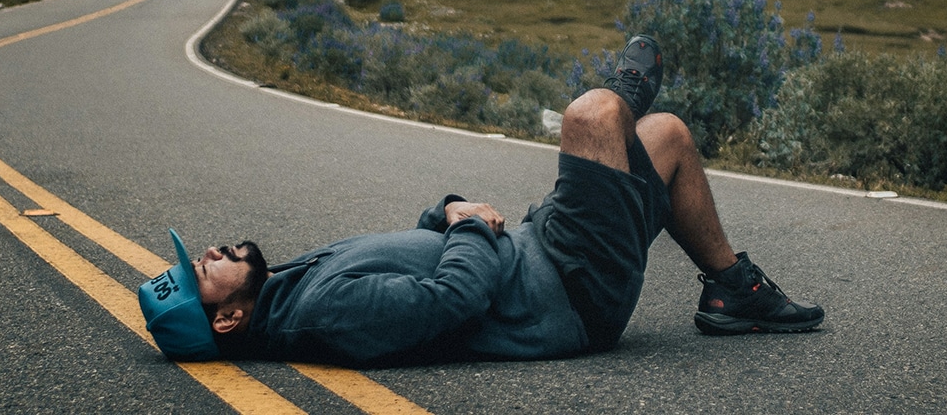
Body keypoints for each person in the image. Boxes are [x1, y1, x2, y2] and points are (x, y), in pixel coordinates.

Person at [139, 35, 824, 363]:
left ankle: (735, 291)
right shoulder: (322, 313)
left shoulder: (290, 288)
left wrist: (447, 212)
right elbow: (449, 301)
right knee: (592, 115)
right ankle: (623, 90)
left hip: (540, 250)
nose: (209, 252)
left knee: (667, 139)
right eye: (202, 271)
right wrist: (468, 226)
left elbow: (421, 259)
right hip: (570, 289)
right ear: (227, 319)